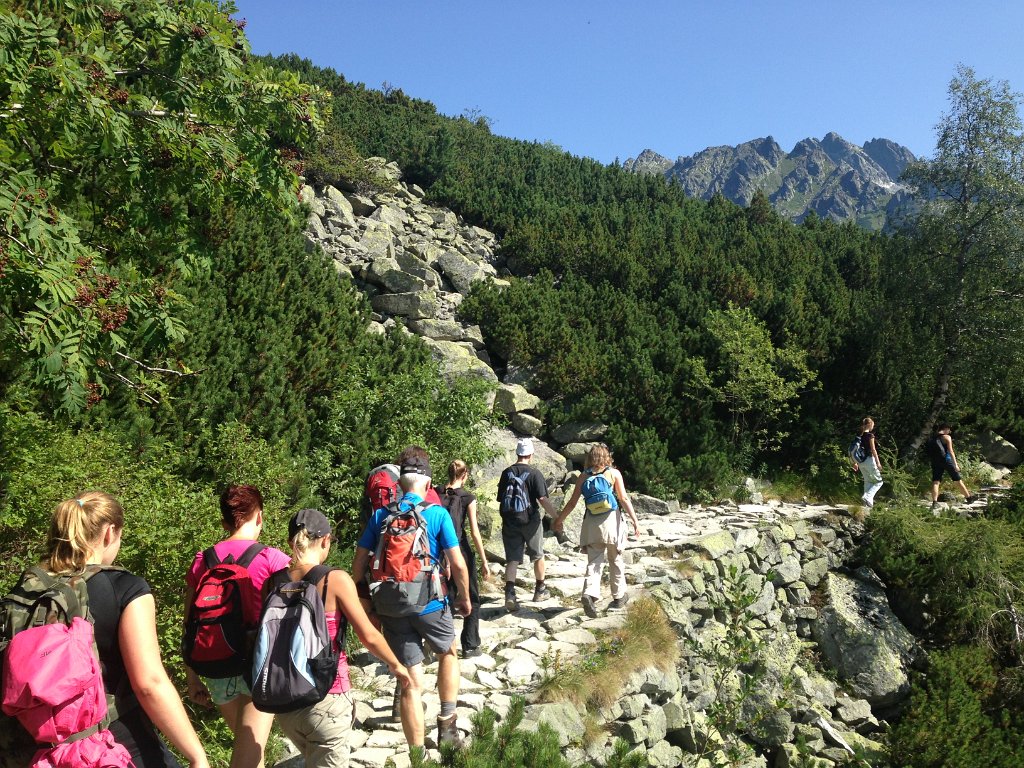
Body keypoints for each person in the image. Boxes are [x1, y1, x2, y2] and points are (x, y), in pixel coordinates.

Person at [43, 492, 210, 768]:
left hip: (42, 746)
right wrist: (197, 755)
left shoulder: (32, 590)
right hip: (112, 741)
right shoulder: (124, 587)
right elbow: (149, 684)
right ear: (110, 533)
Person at [271, 508, 412, 768]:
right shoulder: (334, 579)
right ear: (325, 541)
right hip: (327, 699)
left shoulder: (274, 582)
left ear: (291, 541)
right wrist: (396, 665)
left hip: (286, 703)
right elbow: (368, 635)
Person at [352, 449, 472, 751]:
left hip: (390, 605)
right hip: (430, 603)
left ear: (399, 484)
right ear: (428, 484)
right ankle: (447, 724)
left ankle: (417, 755)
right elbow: (458, 564)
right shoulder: (437, 514)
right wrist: (464, 597)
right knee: (448, 652)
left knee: (409, 680)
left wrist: (365, 598)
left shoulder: (381, 515)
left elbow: (358, 563)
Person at [184, 485, 290, 768]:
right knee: (248, 754)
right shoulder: (272, 559)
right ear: (260, 517)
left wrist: (192, 677)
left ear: (224, 522)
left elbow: (190, 623)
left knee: (250, 749)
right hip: (257, 667)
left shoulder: (203, 560)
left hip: (216, 665)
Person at [552, 445, 640, 618]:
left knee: (594, 561)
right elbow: (623, 498)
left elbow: (572, 503)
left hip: (592, 524)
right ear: (606, 457)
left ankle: (589, 593)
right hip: (612, 522)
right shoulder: (614, 474)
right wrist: (635, 521)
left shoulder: (583, 476)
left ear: (590, 458)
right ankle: (619, 597)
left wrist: (559, 520)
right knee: (615, 559)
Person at [436, 460, 489, 657]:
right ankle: (470, 645)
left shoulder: (435, 493)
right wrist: (484, 560)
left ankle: (442, 645)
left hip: (440, 553)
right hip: (461, 551)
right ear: (465, 475)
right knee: (472, 597)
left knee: (445, 597)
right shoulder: (468, 497)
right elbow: (474, 532)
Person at [497, 438, 557, 612]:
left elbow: (501, 498)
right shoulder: (534, 473)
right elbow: (542, 499)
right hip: (531, 521)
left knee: (512, 559)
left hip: (510, 521)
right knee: (538, 555)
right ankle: (540, 590)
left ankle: (510, 593)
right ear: (530, 454)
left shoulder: (506, 473)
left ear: (517, 453)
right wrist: (556, 517)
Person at [930, 424, 977, 508]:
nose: (950, 432)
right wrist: (955, 464)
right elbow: (951, 451)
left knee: (936, 481)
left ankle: (934, 502)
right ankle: (969, 498)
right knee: (957, 480)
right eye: (949, 430)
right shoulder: (947, 437)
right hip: (947, 461)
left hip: (935, 461)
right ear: (946, 429)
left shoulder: (933, 438)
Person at [851, 417, 883, 508]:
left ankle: (867, 506)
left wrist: (854, 462)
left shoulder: (859, 436)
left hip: (860, 462)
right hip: (869, 460)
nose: (873, 426)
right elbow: (873, 450)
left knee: (868, 482)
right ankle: (867, 497)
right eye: (873, 425)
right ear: (869, 424)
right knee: (879, 482)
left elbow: (855, 449)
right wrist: (878, 463)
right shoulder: (870, 435)